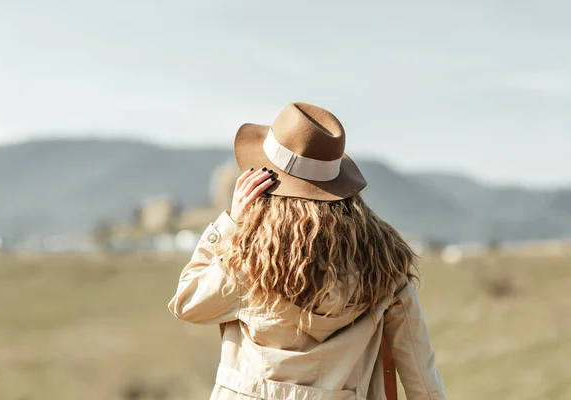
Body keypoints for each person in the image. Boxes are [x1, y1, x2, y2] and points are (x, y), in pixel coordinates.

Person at [168, 102, 446, 400]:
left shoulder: (252, 259)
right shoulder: (384, 264)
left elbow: (187, 302)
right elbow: (420, 375)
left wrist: (231, 223)